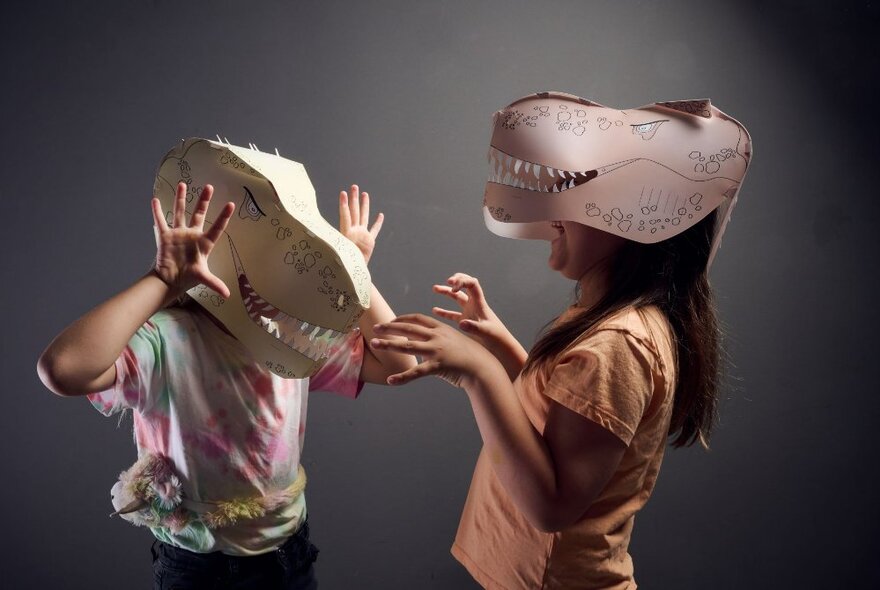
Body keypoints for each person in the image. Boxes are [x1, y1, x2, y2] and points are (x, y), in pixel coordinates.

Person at [370, 92, 751, 588]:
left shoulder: (620, 344)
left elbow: (551, 506)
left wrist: (476, 372)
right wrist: (502, 349)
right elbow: (561, 416)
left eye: (575, 194)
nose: (552, 213)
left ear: (634, 221)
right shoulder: (609, 324)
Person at [37, 181, 415, 589]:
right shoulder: (165, 339)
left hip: (286, 556)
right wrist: (163, 278)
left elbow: (400, 363)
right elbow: (63, 369)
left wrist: (353, 272)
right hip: (195, 564)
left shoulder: (292, 336)